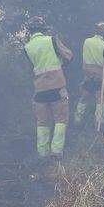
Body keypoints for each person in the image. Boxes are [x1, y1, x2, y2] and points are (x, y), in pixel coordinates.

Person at [24, 18, 73, 158]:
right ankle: (56, 152)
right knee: (61, 119)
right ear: (43, 29)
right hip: (57, 87)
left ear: (30, 31)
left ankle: (42, 154)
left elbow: (33, 66)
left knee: (42, 122)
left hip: (39, 91)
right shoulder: (51, 40)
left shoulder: (27, 47)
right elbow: (69, 56)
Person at [75, 21, 104, 127]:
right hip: (101, 77)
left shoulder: (86, 41)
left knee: (84, 98)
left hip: (87, 76)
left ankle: (77, 119)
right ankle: (99, 123)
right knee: (100, 100)